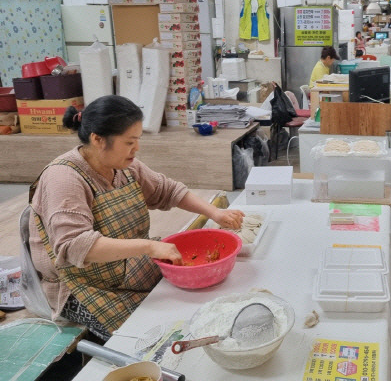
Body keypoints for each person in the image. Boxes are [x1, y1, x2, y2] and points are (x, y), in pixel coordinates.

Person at [27, 95, 245, 341]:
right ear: (98, 139)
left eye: (137, 140)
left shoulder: (124, 166)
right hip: (82, 287)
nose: (136, 148)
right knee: (147, 340)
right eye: (130, 141)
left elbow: (168, 190)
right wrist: (150, 246)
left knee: (194, 311)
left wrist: (214, 213)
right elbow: (76, 245)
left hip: (127, 270)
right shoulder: (64, 178)